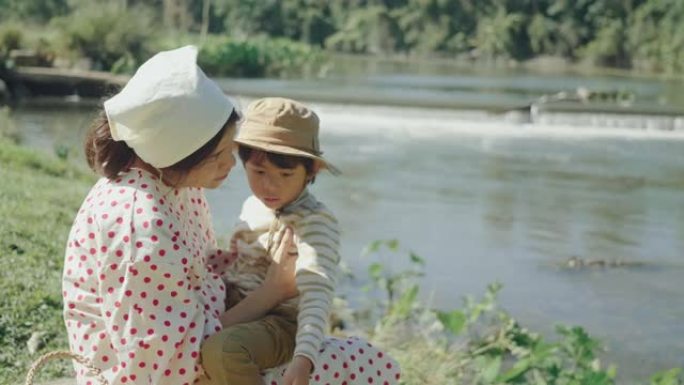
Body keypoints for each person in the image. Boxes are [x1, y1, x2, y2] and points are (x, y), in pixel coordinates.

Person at [62, 46, 400, 385]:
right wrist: (273, 291)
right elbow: (172, 363)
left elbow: (203, 270)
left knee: (364, 360)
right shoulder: (140, 226)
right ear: (183, 155)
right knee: (365, 366)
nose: (229, 166)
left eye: (230, 150)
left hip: (224, 326)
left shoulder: (175, 183)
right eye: (220, 156)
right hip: (155, 373)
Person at [202, 97, 390, 385]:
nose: (270, 185)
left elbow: (317, 295)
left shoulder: (315, 223)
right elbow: (239, 260)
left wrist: (304, 360)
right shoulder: (253, 205)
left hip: (279, 323)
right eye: (259, 172)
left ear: (311, 171)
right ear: (244, 162)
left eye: (286, 174)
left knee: (224, 349)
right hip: (240, 305)